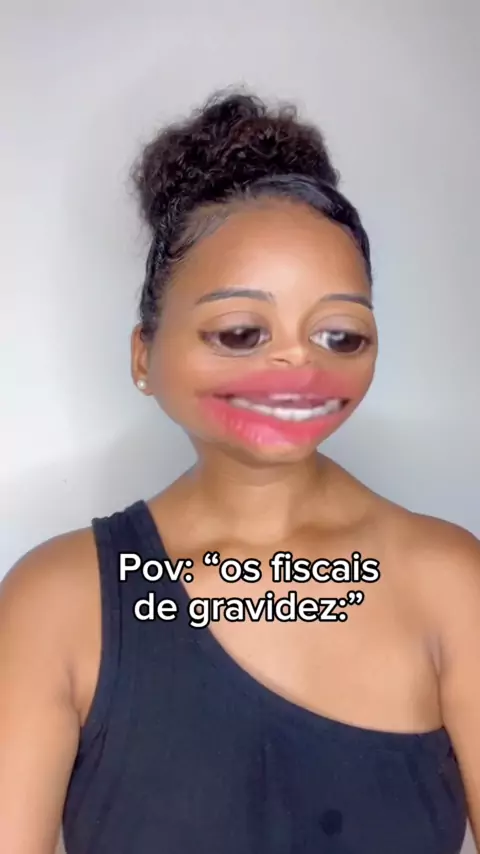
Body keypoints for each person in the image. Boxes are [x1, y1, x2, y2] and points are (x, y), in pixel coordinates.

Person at [1, 90, 479, 854]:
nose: (297, 362)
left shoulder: (453, 583)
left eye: (340, 334)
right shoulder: (54, 602)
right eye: (239, 331)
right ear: (143, 356)